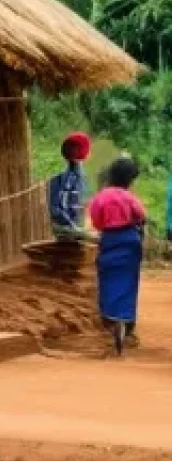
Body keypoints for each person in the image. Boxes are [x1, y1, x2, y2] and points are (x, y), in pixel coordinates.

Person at [89, 155, 146, 357]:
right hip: (130, 242)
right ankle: (126, 320)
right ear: (129, 179)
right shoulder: (129, 197)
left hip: (110, 242)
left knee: (107, 279)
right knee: (129, 281)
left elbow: (96, 221)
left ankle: (110, 317)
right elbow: (141, 215)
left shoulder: (101, 197)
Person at [48, 132, 92, 240]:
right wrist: (75, 228)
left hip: (58, 230)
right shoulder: (82, 179)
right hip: (71, 231)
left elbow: (54, 210)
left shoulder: (55, 179)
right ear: (85, 154)